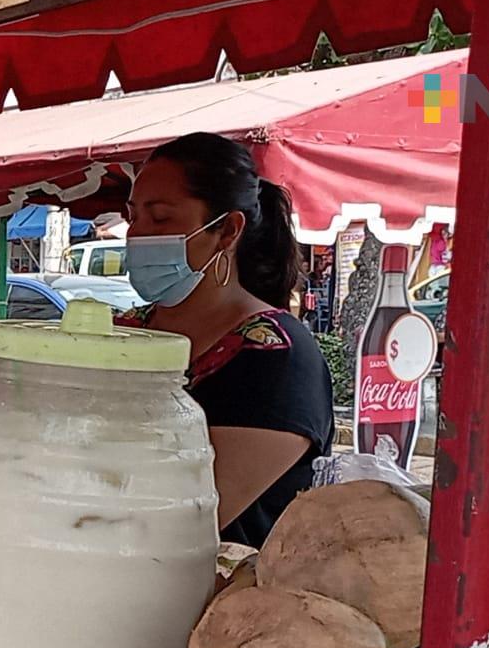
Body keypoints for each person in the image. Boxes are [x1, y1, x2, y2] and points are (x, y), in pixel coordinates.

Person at [119, 132, 333, 547]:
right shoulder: (125, 332)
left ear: (226, 231)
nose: (137, 234)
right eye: (133, 216)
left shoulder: (276, 357)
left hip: (232, 604)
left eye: (160, 218)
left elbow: (191, 516)